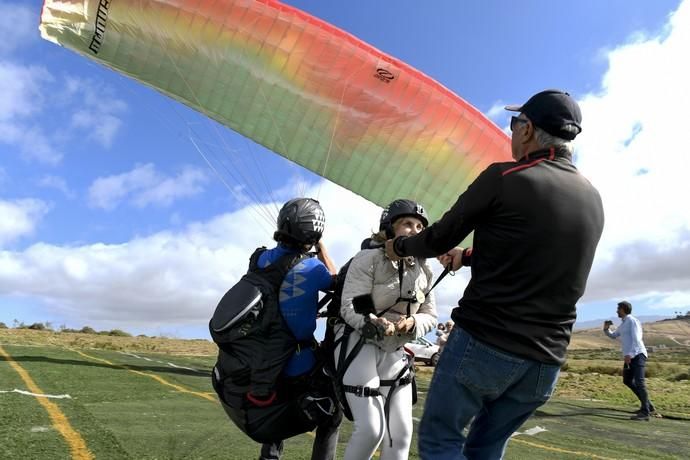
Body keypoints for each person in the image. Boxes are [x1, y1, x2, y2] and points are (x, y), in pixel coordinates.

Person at [385, 89, 605, 459]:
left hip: (485, 343)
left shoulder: (505, 177)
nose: (512, 132)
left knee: (441, 440)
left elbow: (437, 237)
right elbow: (533, 251)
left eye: (514, 123)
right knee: (486, 448)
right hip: (545, 363)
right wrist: (467, 257)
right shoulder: (592, 197)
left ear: (528, 130)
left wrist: (399, 247)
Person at [216, 197, 342, 460]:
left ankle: (270, 457)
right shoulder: (313, 268)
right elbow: (336, 281)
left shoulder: (260, 258)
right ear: (315, 231)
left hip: (260, 353)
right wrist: (321, 248)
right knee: (332, 413)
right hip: (297, 361)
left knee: (276, 391)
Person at [336, 199, 438, 460]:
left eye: (419, 226)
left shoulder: (424, 269)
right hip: (358, 342)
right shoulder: (367, 259)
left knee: (401, 434)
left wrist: (414, 323)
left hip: (395, 351)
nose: (414, 230)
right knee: (371, 430)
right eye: (407, 224)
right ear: (389, 229)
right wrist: (374, 322)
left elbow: (430, 315)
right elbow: (353, 305)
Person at [603, 300, 656, 421]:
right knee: (627, 380)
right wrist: (606, 329)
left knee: (639, 382)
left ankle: (645, 412)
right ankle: (648, 406)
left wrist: (630, 354)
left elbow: (637, 339)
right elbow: (613, 335)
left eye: (618, 309)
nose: (617, 311)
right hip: (630, 356)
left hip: (637, 355)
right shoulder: (623, 323)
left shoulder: (632, 321)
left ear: (623, 309)